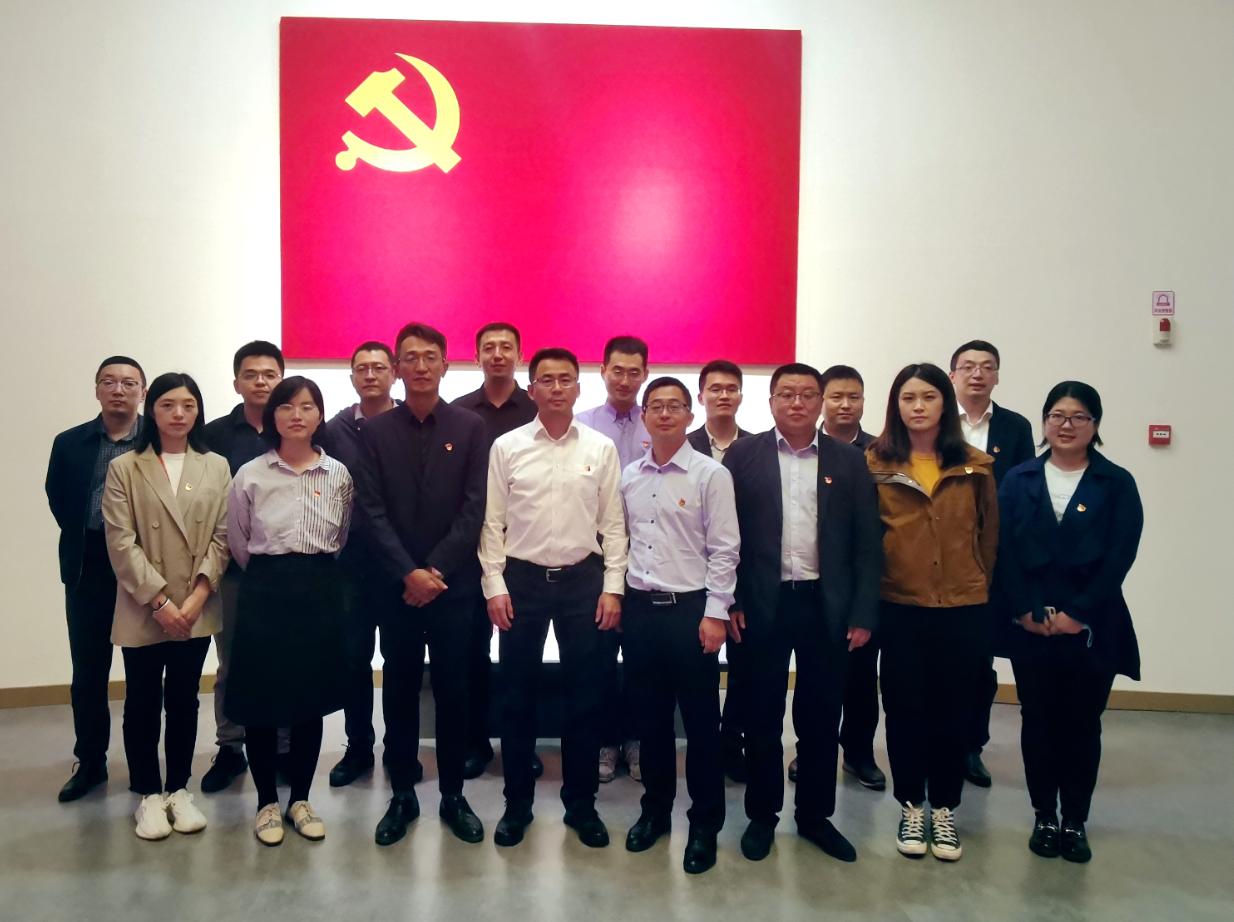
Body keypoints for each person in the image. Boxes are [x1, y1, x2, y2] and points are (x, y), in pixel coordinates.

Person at [723, 363, 881, 863]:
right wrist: (732, 601)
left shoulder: (849, 460)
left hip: (825, 606)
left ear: (821, 402)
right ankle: (762, 815)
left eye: (807, 394)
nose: (797, 402)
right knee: (762, 716)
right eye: (786, 394)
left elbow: (866, 542)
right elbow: (725, 537)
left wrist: (863, 612)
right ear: (770, 401)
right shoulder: (742, 455)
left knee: (820, 718)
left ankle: (815, 816)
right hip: (760, 606)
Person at [479, 348, 628, 849]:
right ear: (533, 389)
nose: (557, 387)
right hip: (521, 581)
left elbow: (613, 525)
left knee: (585, 696)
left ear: (579, 388)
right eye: (547, 379)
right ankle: (516, 804)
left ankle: (581, 804)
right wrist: (495, 585)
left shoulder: (601, 448)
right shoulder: (507, 446)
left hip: (583, 582)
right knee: (516, 695)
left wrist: (613, 586)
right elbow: (492, 523)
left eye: (566, 379)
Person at [994, 382, 1142, 863]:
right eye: (1057, 415)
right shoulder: (1019, 478)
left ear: (1095, 425)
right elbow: (1003, 550)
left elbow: (1120, 555)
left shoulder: (1116, 482)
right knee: (1037, 720)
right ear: (1044, 422)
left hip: (1092, 625)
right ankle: (1044, 816)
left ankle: (1075, 819)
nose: (1066, 425)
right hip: (1031, 624)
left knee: (1081, 724)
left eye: (1079, 417)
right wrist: (1024, 610)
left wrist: (1078, 614)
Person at [353, 323, 488, 846]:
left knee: (454, 691)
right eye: (410, 357)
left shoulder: (471, 426)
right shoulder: (375, 432)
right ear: (398, 368)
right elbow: (370, 509)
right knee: (401, 690)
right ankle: (402, 794)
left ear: (446, 365)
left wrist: (435, 571)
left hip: (453, 589)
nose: (421, 366)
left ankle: (453, 794)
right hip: (397, 590)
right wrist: (408, 572)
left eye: (431, 356)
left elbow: (476, 507)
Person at [866, 363, 998, 862]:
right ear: (895, 406)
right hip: (900, 605)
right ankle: (911, 805)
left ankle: (944, 808)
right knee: (904, 710)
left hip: (963, 606)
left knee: (954, 710)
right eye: (908, 398)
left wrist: (977, 584)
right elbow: (867, 537)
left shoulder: (975, 465)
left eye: (928, 397)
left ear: (945, 402)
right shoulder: (875, 463)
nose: (918, 406)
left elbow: (988, 535)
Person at [101, 373, 230, 839]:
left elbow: (223, 536)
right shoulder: (125, 467)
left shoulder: (216, 465)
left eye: (188, 405)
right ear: (150, 409)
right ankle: (147, 794)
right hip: (143, 604)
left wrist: (195, 598)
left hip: (195, 605)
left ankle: (178, 788)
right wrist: (160, 602)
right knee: (141, 699)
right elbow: (120, 542)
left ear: (198, 411)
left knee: (183, 698)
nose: (178, 414)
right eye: (168, 405)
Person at [226, 376, 353, 846]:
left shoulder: (338, 474)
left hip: (319, 589)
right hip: (265, 590)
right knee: (261, 702)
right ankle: (266, 802)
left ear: (319, 415)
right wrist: (273, 573)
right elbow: (238, 540)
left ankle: (300, 798)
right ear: (272, 415)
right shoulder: (251, 474)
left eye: (307, 406)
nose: (296, 415)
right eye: (286, 406)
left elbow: (341, 537)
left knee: (308, 701)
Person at [620, 376, 739, 874]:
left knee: (700, 725)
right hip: (640, 611)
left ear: (690, 416)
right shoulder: (629, 476)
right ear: (644, 416)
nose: (665, 414)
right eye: (656, 406)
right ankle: (655, 812)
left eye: (675, 406)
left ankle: (705, 823)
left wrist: (715, 613)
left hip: (691, 613)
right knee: (650, 722)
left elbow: (725, 549)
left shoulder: (711, 475)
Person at [45, 356, 147, 801]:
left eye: (128, 383)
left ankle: (143, 765)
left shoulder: (156, 440)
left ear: (142, 392)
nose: (118, 389)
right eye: (109, 381)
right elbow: (58, 497)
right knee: (88, 672)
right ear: (97, 390)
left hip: (144, 566)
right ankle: (90, 762)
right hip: (88, 566)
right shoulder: (70, 443)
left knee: (142, 673)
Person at [786, 365, 885, 791]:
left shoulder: (873, 454)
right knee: (802, 689)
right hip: (790, 593)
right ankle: (804, 755)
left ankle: (856, 756)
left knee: (854, 683)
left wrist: (863, 607)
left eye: (854, 397)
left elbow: (869, 539)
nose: (845, 404)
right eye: (837, 396)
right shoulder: (776, 450)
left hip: (845, 593)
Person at [451, 322, 539, 780]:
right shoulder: (460, 412)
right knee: (473, 650)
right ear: (477, 356)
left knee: (521, 655)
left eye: (507, 347)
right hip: (472, 548)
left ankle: (520, 743)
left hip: (526, 548)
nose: (498, 354)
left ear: (520, 356)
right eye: (489, 347)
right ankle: (476, 741)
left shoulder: (538, 407)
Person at [199, 341, 285, 792]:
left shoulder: (297, 429)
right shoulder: (213, 436)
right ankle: (231, 747)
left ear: (281, 379)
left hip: (285, 574)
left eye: (269, 374)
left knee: (283, 661)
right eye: (251, 374)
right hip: (232, 571)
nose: (261, 382)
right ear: (236, 383)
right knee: (231, 663)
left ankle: (284, 747)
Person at [949, 340, 1035, 787]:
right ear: (952, 376)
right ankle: (935, 744)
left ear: (997, 376)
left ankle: (970, 746)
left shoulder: (1015, 428)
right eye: (968, 367)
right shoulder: (935, 421)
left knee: (979, 662)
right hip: (935, 558)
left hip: (988, 561)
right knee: (936, 661)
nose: (977, 374)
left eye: (987, 367)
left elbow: (1022, 493)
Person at [322, 340, 402, 788]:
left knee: (399, 660)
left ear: (394, 372)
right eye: (361, 368)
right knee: (354, 659)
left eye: (378, 367)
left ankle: (398, 748)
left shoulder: (411, 423)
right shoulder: (334, 431)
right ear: (351, 376)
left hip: (399, 566)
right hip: (349, 566)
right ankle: (358, 747)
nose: (370, 375)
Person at [576, 335, 649, 782]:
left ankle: (636, 741)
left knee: (640, 659)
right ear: (602, 371)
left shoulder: (657, 421)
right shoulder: (581, 425)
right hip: (595, 560)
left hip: (648, 560)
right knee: (598, 658)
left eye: (633, 371)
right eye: (616, 370)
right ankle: (604, 742)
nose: (624, 379)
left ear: (645, 374)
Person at [687, 359, 753, 783]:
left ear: (741, 396)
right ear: (701, 396)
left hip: (747, 580)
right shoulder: (683, 444)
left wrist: (737, 597)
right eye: (715, 388)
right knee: (701, 671)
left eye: (731, 388)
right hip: (695, 582)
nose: (723, 395)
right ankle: (704, 747)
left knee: (744, 671)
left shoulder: (758, 447)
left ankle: (732, 743)